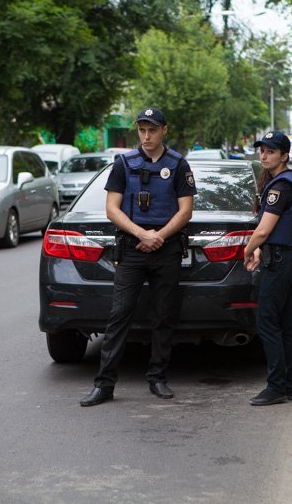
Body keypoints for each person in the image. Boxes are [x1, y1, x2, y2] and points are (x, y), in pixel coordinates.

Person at [80, 107, 197, 407]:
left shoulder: (179, 164)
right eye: (142, 130)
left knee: (163, 316)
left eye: (152, 130)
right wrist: (142, 234)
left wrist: (159, 236)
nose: (146, 136)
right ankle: (105, 384)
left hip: (167, 249)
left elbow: (186, 210)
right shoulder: (123, 164)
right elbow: (112, 209)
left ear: (164, 131)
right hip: (132, 249)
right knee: (119, 315)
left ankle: (157, 377)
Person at [242, 131, 292, 406]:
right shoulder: (284, 182)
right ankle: (291, 386)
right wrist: (258, 249)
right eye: (262, 151)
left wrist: (247, 249)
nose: (264, 155)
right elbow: (272, 228)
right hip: (286, 260)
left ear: (284, 155)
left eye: (270, 151)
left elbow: (264, 229)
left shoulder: (280, 186)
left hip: (280, 263)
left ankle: (277, 385)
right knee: (287, 322)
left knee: (267, 322)